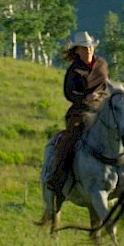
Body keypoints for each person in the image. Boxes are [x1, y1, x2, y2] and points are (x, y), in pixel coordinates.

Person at [43, 31, 110, 198]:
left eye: (90, 47)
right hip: (80, 111)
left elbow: (106, 84)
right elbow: (69, 93)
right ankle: (58, 176)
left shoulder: (102, 64)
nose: (88, 50)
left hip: (102, 109)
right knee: (70, 137)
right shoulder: (73, 70)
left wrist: (105, 96)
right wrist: (85, 97)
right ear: (78, 50)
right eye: (84, 48)